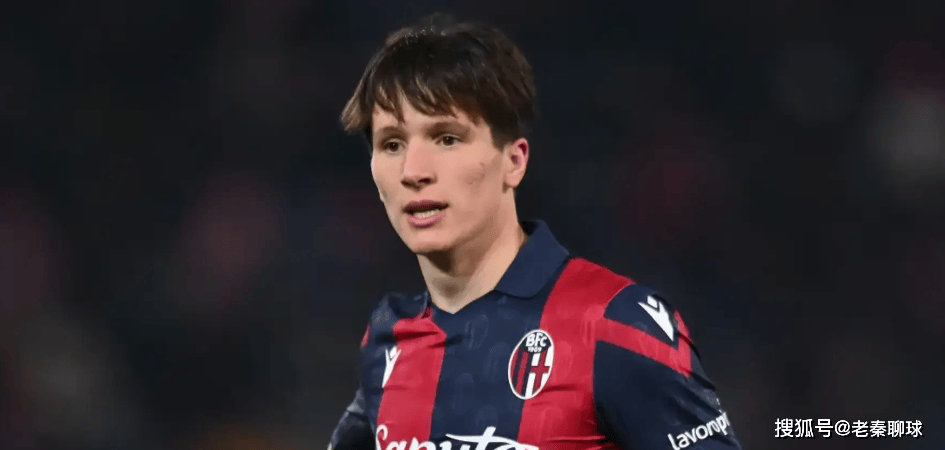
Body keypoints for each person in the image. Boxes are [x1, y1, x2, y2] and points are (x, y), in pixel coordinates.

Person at [329, 14, 741, 450]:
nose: (413, 172)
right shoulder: (388, 342)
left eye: (447, 138)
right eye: (392, 144)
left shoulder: (614, 323)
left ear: (514, 161)